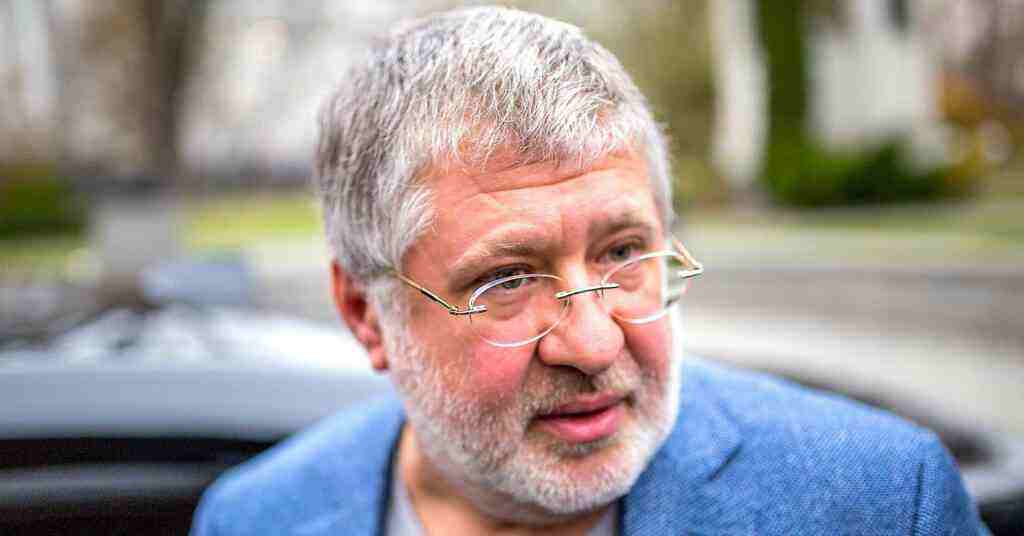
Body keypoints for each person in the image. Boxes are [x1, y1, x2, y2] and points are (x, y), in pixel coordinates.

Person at [191, 7, 989, 535]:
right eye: (508, 280)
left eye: (623, 253)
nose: (596, 343)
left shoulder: (879, 502)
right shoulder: (255, 519)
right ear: (367, 314)